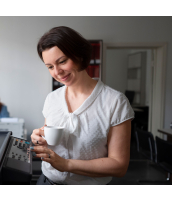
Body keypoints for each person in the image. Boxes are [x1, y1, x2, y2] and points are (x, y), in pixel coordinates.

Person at [31, 26, 134, 185]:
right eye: (50, 67)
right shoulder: (52, 99)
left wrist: (67, 165)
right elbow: (48, 136)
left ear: (79, 55)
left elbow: (119, 166)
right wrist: (39, 138)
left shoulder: (115, 102)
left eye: (62, 61)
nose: (57, 72)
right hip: (47, 183)